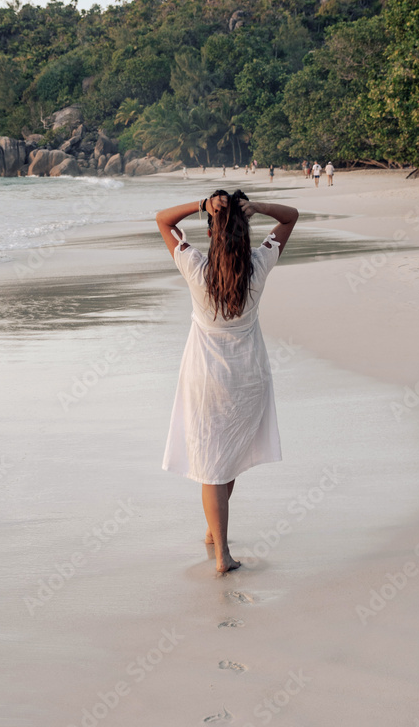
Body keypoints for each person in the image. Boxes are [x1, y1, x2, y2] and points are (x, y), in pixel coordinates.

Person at [156, 189, 299, 574]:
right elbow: (290, 217)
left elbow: (163, 220)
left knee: (214, 464)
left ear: (211, 231)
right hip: (248, 377)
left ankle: (221, 554)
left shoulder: (196, 267)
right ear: (245, 230)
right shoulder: (258, 264)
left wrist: (202, 204)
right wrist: (258, 208)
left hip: (206, 379)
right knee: (226, 459)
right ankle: (214, 532)